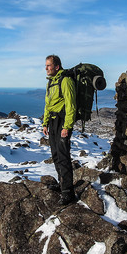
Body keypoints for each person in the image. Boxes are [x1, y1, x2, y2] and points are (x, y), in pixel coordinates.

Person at [42, 55, 77, 205]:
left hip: (62, 121)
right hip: (52, 122)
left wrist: (67, 127)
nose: (46, 68)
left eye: (49, 65)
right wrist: (45, 123)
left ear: (57, 66)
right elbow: (48, 104)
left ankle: (68, 193)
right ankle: (61, 184)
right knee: (55, 154)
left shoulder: (65, 80)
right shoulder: (50, 82)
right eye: (46, 66)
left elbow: (71, 105)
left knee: (63, 156)